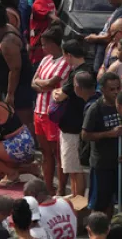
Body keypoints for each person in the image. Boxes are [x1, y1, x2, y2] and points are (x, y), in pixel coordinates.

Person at [31, 27, 70, 194]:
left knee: (58, 153)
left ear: (54, 44)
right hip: (38, 111)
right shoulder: (45, 59)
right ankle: (47, 188)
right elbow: (33, 82)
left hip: (53, 113)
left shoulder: (65, 61)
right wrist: (43, 84)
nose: (42, 48)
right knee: (45, 153)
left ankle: (61, 190)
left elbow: (50, 83)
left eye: (45, 44)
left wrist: (42, 84)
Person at [51, 42, 93, 197]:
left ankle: (78, 204)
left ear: (68, 55)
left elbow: (59, 95)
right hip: (76, 125)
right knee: (74, 169)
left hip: (72, 128)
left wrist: (56, 92)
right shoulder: (88, 69)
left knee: (75, 170)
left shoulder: (78, 74)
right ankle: (76, 201)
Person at [82, 71, 122, 217]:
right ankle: (97, 227)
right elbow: (85, 135)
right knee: (100, 204)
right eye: (112, 89)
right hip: (102, 164)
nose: (116, 92)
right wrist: (109, 134)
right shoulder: (95, 108)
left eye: (118, 88)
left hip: (119, 163)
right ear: (103, 90)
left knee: (116, 201)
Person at [0, 4, 34, 130]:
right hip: (4, 87)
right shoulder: (3, 32)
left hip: (18, 90)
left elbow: (15, 69)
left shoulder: (8, 42)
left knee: (23, 122)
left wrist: (10, 94)